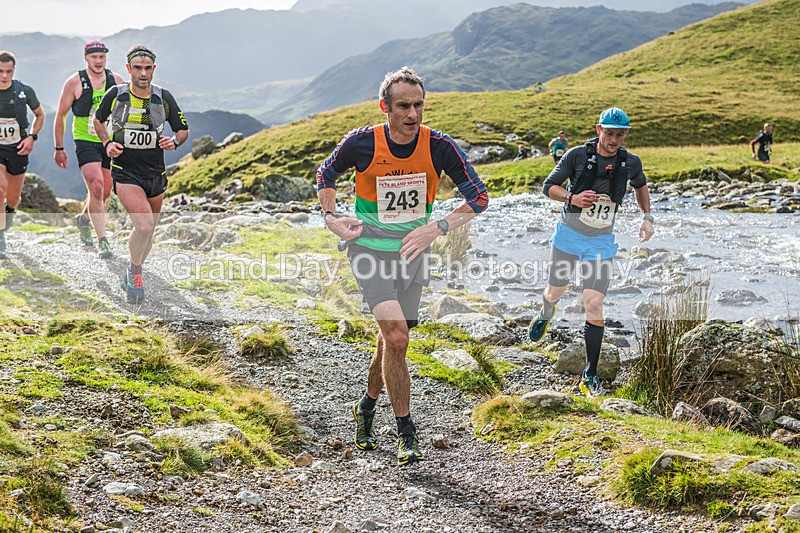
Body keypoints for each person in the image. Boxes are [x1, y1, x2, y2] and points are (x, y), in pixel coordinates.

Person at [317, 67, 488, 466]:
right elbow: (326, 175)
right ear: (385, 107)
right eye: (404, 106)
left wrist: (439, 226)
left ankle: (366, 405)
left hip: (413, 252)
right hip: (369, 251)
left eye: (419, 105)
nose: (413, 114)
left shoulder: (440, 147)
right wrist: (331, 218)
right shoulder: (361, 143)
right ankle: (406, 432)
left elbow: (479, 197)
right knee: (396, 337)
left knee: (392, 339)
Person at [528, 107, 654, 397]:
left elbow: (640, 185)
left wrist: (646, 217)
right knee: (554, 291)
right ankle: (547, 311)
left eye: (620, 134)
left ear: (626, 134)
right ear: (599, 130)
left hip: (601, 242)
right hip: (569, 236)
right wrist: (574, 197)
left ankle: (590, 374)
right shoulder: (576, 155)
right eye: (609, 133)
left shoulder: (630, 162)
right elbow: (549, 187)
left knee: (594, 303)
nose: (614, 139)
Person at [93, 45, 188, 304]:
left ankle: (135, 269)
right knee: (144, 225)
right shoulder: (116, 94)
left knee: (150, 230)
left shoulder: (163, 97)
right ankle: (134, 272)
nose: (143, 73)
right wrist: (107, 145)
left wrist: (174, 142)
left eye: (148, 68)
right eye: (138, 68)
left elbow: (182, 129)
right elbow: (98, 121)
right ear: (129, 69)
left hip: (156, 173)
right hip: (126, 172)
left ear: (153, 69)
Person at [53, 40, 124, 258]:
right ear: (86, 58)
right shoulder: (74, 82)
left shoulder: (117, 81)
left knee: (104, 192)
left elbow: (126, 114)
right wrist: (59, 147)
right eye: (94, 57)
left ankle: (83, 219)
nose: (99, 61)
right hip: (85, 140)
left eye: (102, 56)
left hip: (109, 141)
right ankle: (103, 240)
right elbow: (60, 116)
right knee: (96, 186)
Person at [0, 51, 45, 260]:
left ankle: (8, 214)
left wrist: (32, 138)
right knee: (0, 190)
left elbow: (40, 115)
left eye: (8, 71)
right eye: (0, 71)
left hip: (18, 149)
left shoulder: (24, 91)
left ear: (13, 71)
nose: (4, 76)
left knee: (13, 198)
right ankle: (0, 237)